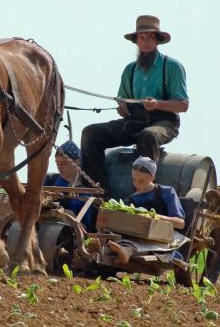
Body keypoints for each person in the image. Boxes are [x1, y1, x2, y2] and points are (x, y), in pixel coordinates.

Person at [81, 15, 189, 194]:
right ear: (137, 41)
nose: (146, 41)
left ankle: (142, 194)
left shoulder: (171, 67)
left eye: (150, 37)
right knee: (90, 133)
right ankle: (98, 190)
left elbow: (182, 105)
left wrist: (157, 104)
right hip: (134, 121)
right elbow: (123, 104)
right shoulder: (130, 70)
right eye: (142, 37)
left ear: (157, 40)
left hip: (163, 122)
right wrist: (122, 109)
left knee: (147, 136)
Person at [108, 156, 187, 266]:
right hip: (137, 236)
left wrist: (154, 217)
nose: (136, 184)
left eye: (141, 180)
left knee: (143, 243)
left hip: (163, 238)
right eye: (133, 179)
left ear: (152, 177)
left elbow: (180, 223)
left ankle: (128, 251)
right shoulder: (132, 199)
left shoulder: (166, 192)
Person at [44, 140, 98, 231]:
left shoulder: (85, 194)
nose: (59, 168)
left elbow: (86, 227)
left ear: (78, 161)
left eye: (64, 163)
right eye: (57, 163)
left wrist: (69, 217)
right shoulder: (49, 180)